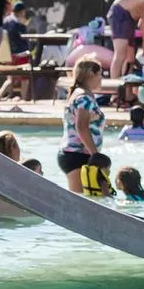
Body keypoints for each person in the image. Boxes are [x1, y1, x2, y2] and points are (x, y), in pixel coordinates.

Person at [60, 59, 107, 194]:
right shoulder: (84, 98)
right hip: (77, 155)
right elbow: (81, 127)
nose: (101, 78)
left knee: (92, 199)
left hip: (76, 154)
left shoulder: (80, 94)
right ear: (92, 74)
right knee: (82, 201)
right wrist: (96, 155)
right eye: (100, 74)